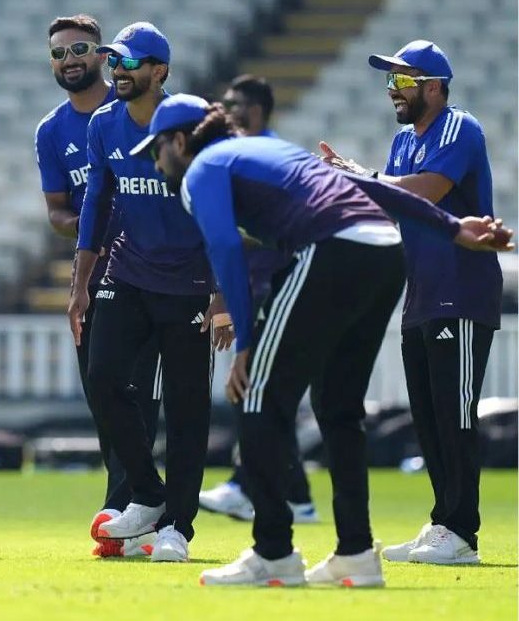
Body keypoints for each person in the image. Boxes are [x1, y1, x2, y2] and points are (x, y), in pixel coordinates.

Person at [134, 95, 511, 586]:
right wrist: (454, 226)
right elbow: (365, 187)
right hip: (385, 252)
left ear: (180, 141)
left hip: (334, 247)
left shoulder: (203, 169)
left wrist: (246, 344)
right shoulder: (270, 151)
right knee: (338, 407)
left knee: (257, 395)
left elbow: (225, 248)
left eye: (156, 150)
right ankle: (355, 553)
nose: (155, 163)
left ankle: (273, 552)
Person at [319, 40, 502, 565]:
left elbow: (425, 192)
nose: (392, 90)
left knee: (454, 414)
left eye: (402, 80)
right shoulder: (403, 141)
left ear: (435, 87)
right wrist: (350, 181)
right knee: (428, 418)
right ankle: (444, 522)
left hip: (461, 291)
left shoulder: (459, 127)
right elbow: (392, 206)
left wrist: (363, 177)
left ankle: (461, 531)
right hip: (421, 293)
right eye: (390, 80)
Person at [68, 22, 233, 563]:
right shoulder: (103, 124)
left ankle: (177, 527)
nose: (118, 70)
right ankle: (147, 493)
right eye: (114, 61)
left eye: (130, 62)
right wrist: (81, 284)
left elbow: (221, 214)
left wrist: (222, 295)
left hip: (188, 286)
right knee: (103, 380)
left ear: (160, 71)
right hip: (127, 275)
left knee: (186, 410)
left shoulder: (194, 126)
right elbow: (97, 201)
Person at [34, 14, 162, 558]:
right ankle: (132, 512)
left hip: (153, 275)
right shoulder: (51, 131)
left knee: (142, 397)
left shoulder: (135, 109)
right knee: (105, 396)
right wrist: (92, 225)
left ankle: (129, 515)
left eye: (79, 50)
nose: (69, 61)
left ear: (104, 56)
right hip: (100, 273)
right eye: (58, 53)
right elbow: (58, 212)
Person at [199, 75, 318, 525]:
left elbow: (251, 232)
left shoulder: (264, 156)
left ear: (257, 110)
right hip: (257, 285)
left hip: (276, 286)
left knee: (257, 389)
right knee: (263, 392)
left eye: (236, 104)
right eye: (225, 103)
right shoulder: (242, 154)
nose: (228, 111)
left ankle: (245, 485)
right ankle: (296, 497)